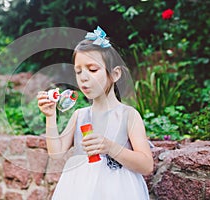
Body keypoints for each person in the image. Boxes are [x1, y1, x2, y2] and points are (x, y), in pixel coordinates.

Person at [37, 26, 153, 200]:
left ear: (115, 74)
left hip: (119, 191)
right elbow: (56, 153)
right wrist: (50, 117)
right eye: (78, 71)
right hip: (79, 189)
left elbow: (146, 165)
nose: (83, 77)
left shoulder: (128, 115)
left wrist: (110, 147)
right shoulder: (80, 115)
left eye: (92, 70)